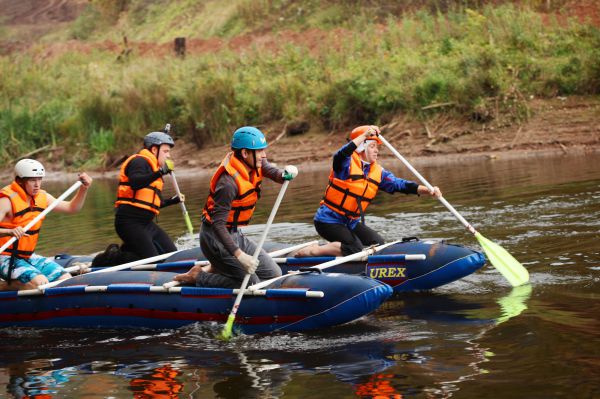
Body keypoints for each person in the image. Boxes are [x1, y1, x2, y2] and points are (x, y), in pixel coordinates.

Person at [173, 126, 298, 288]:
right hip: (214, 238)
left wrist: (283, 175)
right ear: (245, 153)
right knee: (250, 283)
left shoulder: (254, 162)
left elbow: (269, 170)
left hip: (234, 233)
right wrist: (240, 255)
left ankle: (217, 267)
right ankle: (199, 276)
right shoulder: (228, 183)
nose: (264, 155)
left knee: (273, 273)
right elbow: (218, 225)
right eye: (259, 151)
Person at [295, 125, 441, 257]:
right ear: (360, 148)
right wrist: (365, 135)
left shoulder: (377, 171)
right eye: (372, 146)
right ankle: (315, 250)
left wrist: (428, 190)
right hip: (328, 221)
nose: (376, 150)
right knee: (355, 248)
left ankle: (343, 249)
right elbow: (340, 155)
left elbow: (399, 185)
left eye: (377, 147)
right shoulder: (345, 165)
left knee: (378, 243)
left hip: (350, 222)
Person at [0, 159, 93, 290]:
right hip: (4, 256)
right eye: (32, 180)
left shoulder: (43, 197)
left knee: (64, 279)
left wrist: (84, 189)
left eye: (39, 179)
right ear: (20, 180)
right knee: (41, 283)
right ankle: (3, 286)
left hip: (26, 255)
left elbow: (72, 208)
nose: (37, 184)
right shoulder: (6, 200)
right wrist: (9, 231)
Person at [112, 130, 184, 262]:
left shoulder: (153, 169)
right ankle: (115, 257)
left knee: (173, 256)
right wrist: (160, 172)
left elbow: (154, 203)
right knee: (155, 261)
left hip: (146, 224)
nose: (169, 156)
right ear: (154, 149)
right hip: (129, 223)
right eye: (166, 151)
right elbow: (135, 182)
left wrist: (173, 200)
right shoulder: (139, 161)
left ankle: (130, 249)